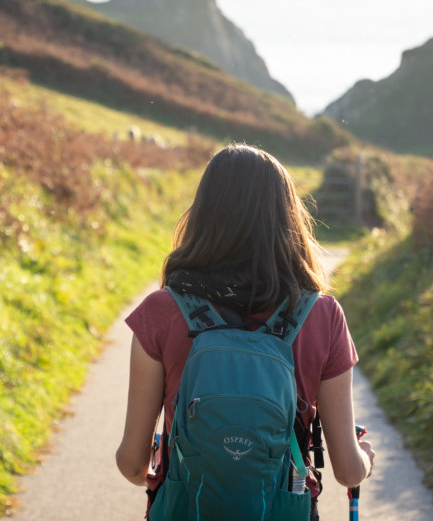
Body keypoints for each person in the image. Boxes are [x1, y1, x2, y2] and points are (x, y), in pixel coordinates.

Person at [116, 143, 374, 519]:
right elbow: (347, 470)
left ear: (203, 215)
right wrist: (363, 459)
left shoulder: (162, 311)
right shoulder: (322, 316)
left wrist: (162, 461)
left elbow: (131, 463)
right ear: (287, 218)